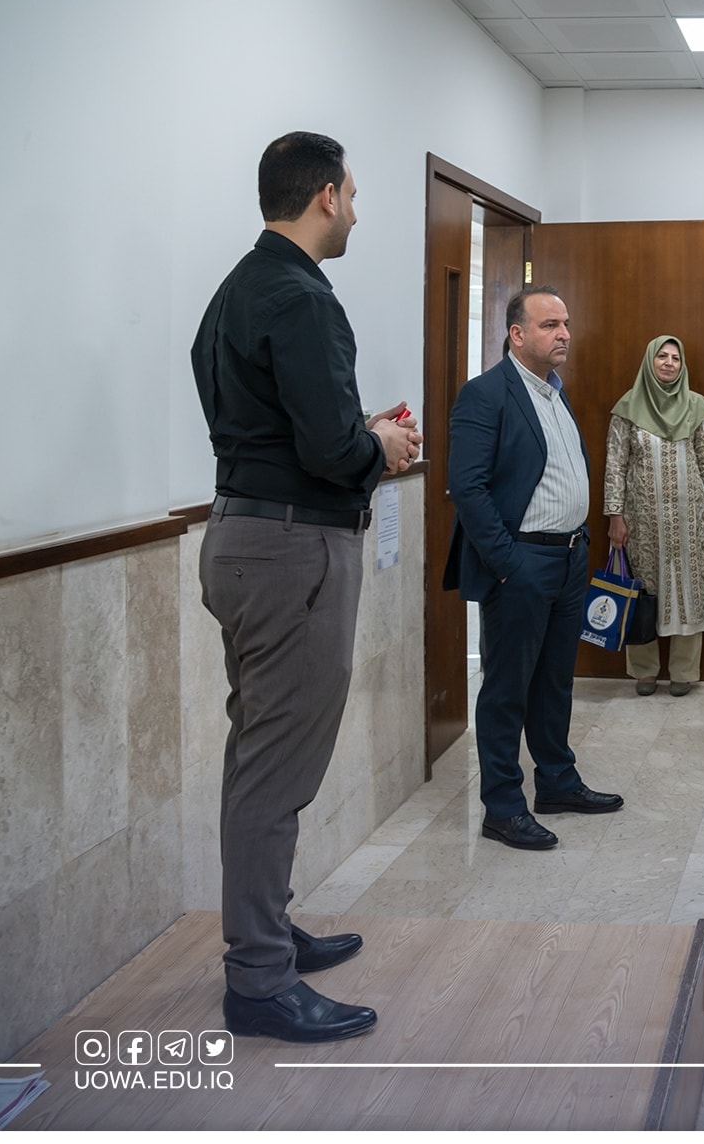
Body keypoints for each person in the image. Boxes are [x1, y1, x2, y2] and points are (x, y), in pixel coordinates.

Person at [192, 131, 421, 1043]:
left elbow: (273, 428)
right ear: (325, 195)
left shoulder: (235, 291)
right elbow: (329, 450)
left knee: (259, 753)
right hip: (292, 551)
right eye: (352, 196)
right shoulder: (302, 296)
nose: (356, 213)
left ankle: (266, 930)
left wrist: (355, 429)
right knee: (276, 768)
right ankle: (259, 977)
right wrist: (382, 445)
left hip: (243, 537)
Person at [445, 286, 623, 853]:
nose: (564, 333)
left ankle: (558, 783)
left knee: (554, 682)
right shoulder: (485, 394)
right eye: (550, 325)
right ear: (517, 334)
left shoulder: (554, 392)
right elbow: (467, 488)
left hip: (568, 559)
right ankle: (502, 808)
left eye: (565, 323)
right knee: (506, 689)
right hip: (522, 563)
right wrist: (507, 563)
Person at [603, 336, 704, 697]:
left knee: (688, 591)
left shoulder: (696, 407)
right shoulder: (628, 408)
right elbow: (615, 465)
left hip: (690, 521)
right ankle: (644, 671)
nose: (669, 363)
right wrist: (615, 515)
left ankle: (683, 671)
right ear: (650, 361)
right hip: (642, 522)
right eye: (662, 356)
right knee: (642, 590)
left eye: (675, 358)